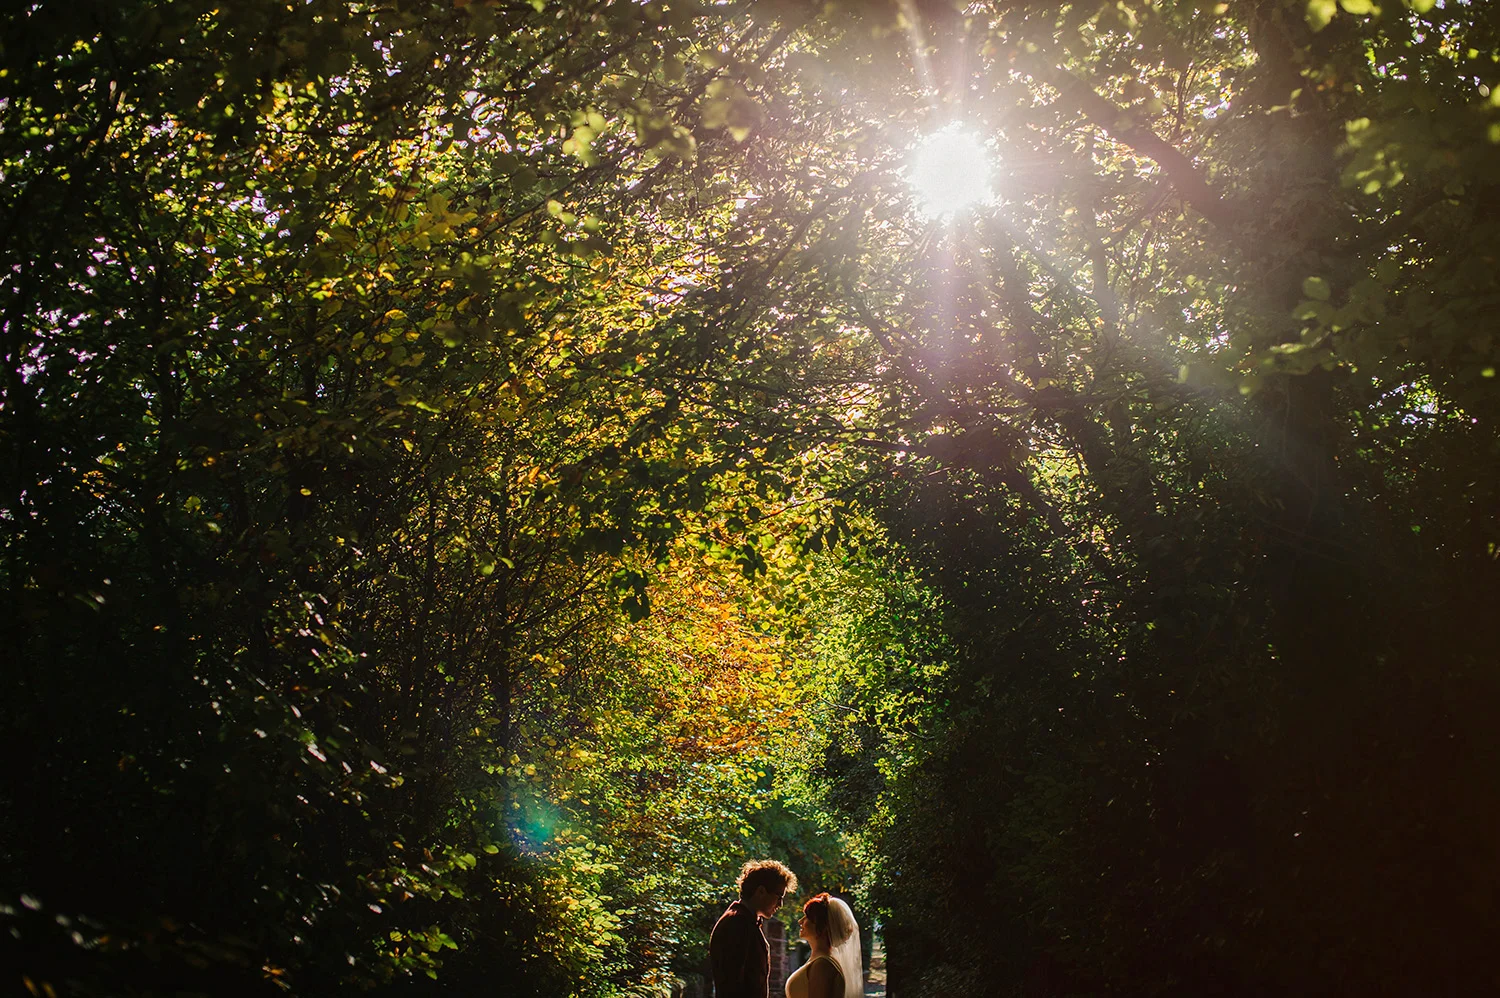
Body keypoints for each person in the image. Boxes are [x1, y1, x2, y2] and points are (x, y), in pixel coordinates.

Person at [709, 859, 798, 998]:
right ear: (761, 891)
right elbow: (732, 984)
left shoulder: (746, 921)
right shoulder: (737, 923)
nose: (780, 904)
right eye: (779, 896)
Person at [785, 892, 863, 998]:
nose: (800, 921)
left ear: (822, 926)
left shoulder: (822, 965)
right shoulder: (819, 961)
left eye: (807, 917)